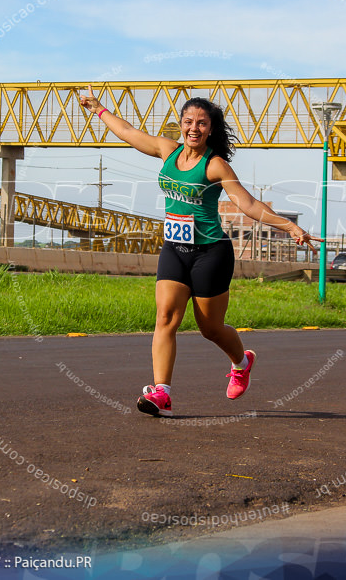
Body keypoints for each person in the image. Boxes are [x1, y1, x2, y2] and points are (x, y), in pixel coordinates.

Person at [78, 87, 318, 417]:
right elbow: (129, 132)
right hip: (175, 249)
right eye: (188, 121)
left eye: (202, 123)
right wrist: (98, 108)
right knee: (165, 318)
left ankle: (241, 362)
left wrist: (288, 226)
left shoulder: (215, 165)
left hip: (210, 253)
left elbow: (246, 203)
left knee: (211, 329)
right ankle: (162, 393)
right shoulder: (167, 150)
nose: (194, 128)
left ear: (211, 130)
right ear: (180, 124)